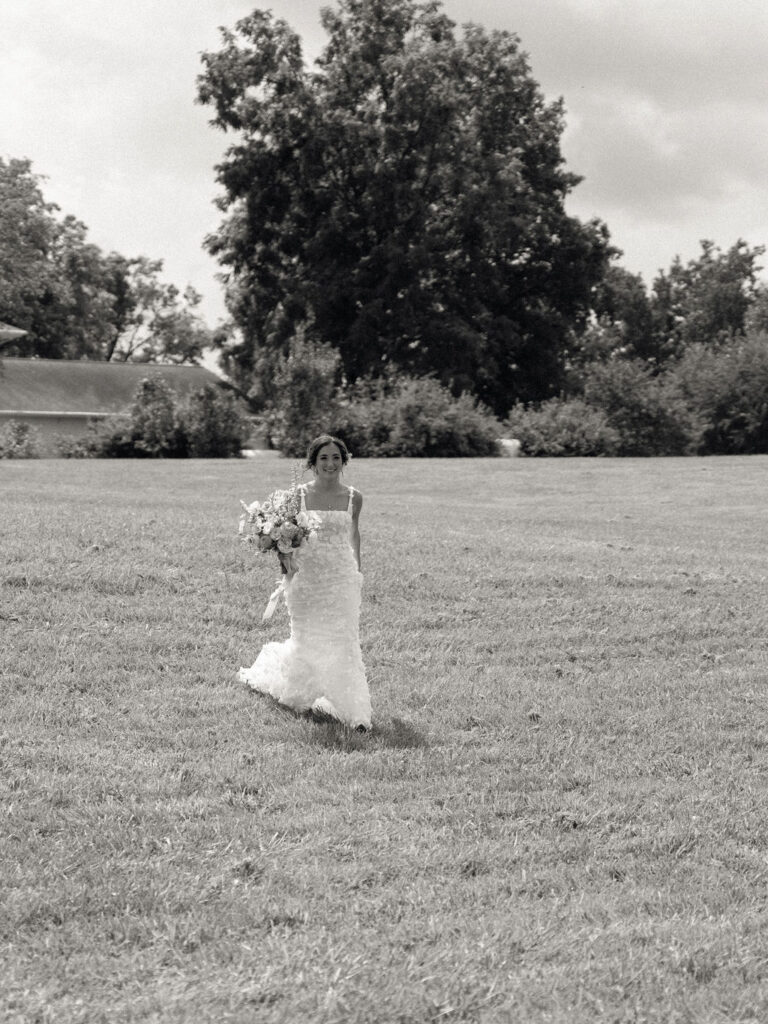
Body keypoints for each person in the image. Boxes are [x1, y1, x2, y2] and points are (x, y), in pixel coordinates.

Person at [238, 434, 372, 731]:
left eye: (336, 457)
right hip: (307, 578)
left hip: (341, 578)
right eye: (323, 458)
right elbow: (284, 535)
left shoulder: (354, 497)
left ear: (344, 461)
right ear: (313, 463)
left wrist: (357, 573)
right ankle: (304, 689)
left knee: (343, 639)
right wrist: (287, 567)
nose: (330, 463)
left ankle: (352, 708)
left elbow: (354, 535)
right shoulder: (298, 494)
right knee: (308, 635)